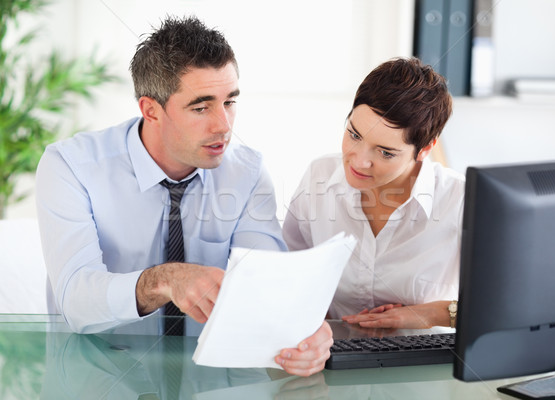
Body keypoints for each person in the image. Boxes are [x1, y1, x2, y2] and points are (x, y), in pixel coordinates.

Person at [36, 16, 331, 377]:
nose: (223, 125)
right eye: (201, 107)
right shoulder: (71, 166)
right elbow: (75, 301)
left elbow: (267, 288)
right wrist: (165, 279)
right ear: (151, 110)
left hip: (210, 382)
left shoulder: (248, 173)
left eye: (230, 102)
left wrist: (306, 330)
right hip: (95, 378)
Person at [282, 57, 465, 329]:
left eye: (385, 152)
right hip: (330, 355)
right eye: (354, 135)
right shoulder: (319, 176)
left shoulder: (461, 200)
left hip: (423, 361)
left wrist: (428, 314)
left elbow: (504, 306)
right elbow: (288, 276)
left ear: (425, 149)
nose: (358, 161)